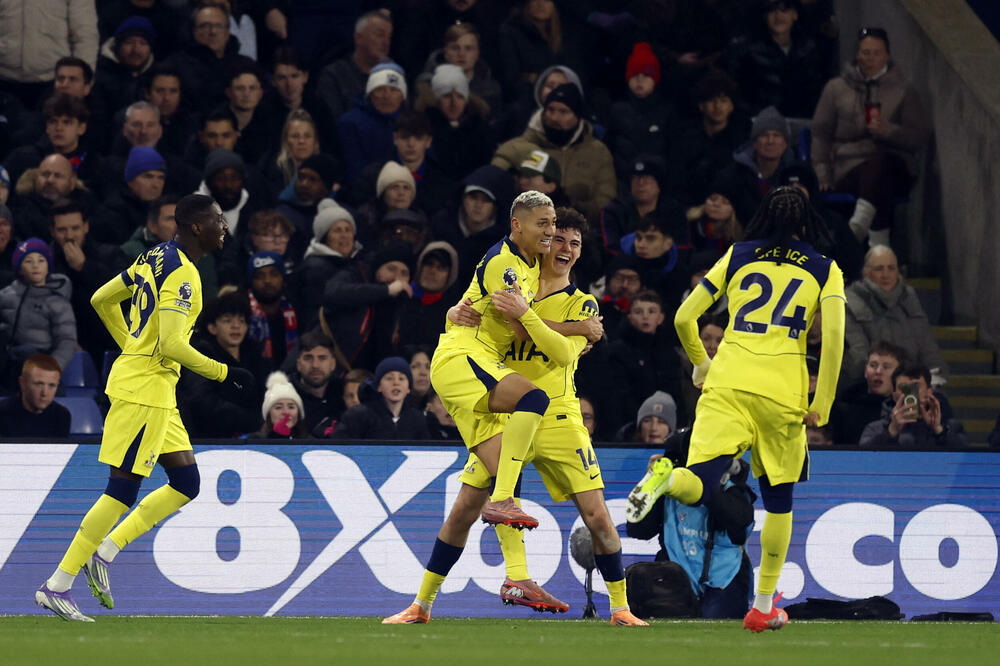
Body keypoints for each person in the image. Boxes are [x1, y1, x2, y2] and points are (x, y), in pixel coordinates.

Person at [384, 206, 644, 626]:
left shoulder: (583, 302)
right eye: (558, 238)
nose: (565, 247)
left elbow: (558, 352)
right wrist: (453, 311)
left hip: (558, 415)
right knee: (465, 509)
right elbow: (472, 319)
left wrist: (551, 324)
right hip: (506, 406)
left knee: (598, 517)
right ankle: (422, 605)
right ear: (543, 240)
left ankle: (620, 608)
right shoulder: (513, 278)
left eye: (574, 243)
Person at [627, 186, 846, 633]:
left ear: (763, 216)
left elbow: (685, 317)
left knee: (700, 480)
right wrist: (819, 403)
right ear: (806, 223)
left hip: (727, 381)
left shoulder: (739, 254)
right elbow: (837, 341)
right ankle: (763, 606)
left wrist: (702, 365)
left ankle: (666, 475)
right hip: (782, 393)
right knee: (780, 502)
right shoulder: (826, 270)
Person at [34, 193, 255, 622]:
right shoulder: (185, 275)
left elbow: (101, 299)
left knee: (186, 481)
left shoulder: (156, 256)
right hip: (144, 390)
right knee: (121, 490)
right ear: (196, 226)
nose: (223, 226)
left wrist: (132, 347)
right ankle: (57, 585)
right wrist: (223, 373)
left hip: (154, 388)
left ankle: (108, 548)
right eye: (216, 219)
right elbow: (172, 343)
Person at [810, 27, 930, 247]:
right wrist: (823, 174)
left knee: (882, 165)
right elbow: (820, 134)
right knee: (878, 183)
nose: (870, 58)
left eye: (876, 53)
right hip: (848, 166)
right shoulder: (836, 88)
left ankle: (857, 228)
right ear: (857, 54)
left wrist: (889, 130)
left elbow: (918, 136)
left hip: (895, 163)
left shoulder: (904, 90)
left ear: (887, 55)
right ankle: (879, 250)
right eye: (865, 52)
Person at [626, 427, 756, 619]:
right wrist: (652, 487)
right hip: (675, 574)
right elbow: (638, 530)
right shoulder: (667, 489)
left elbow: (740, 527)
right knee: (643, 581)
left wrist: (704, 486)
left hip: (724, 578)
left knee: (713, 623)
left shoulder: (732, 490)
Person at [493, 84, 616, 222]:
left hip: (579, 231)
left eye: (563, 112)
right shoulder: (520, 146)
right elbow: (494, 181)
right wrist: (522, 186)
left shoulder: (598, 152)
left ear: (578, 116)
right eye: (550, 110)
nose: (555, 118)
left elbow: (605, 201)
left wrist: (570, 209)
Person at [843, 244, 946, 384]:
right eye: (879, 269)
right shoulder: (852, 301)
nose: (886, 274)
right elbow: (859, 357)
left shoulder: (908, 297)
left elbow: (928, 347)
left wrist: (935, 376)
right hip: (871, 385)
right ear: (866, 272)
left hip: (910, 383)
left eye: (891, 268)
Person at [179, 292, 265, 438]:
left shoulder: (254, 356)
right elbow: (202, 401)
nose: (236, 326)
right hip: (207, 439)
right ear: (212, 327)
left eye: (242, 321)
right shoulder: (200, 355)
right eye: (227, 321)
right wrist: (252, 421)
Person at [0, 237, 76, 371]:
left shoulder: (57, 301)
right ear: (19, 268)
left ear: (48, 267)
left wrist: (52, 368)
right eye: (28, 261)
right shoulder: (5, 296)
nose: (36, 265)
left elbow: (67, 341)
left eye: (41, 260)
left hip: (42, 363)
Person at [859, 364, 966, 449]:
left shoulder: (951, 427)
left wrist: (939, 430)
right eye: (904, 388)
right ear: (894, 394)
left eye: (916, 387)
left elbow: (964, 462)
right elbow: (864, 461)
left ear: (929, 391)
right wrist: (891, 431)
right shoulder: (875, 429)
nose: (910, 393)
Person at [316, 10, 394, 120]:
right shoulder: (333, 76)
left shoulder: (393, 74)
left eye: (389, 37)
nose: (386, 42)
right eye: (380, 35)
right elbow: (335, 124)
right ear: (358, 38)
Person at [331, 356, 430, 440]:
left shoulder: (417, 419)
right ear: (378, 386)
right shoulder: (358, 415)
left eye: (401, 378)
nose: (396, 383)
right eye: (389, 378)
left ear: (408, 388)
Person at [831, 340, 906, 445]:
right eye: (873, 365)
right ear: (866, 371)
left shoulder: (906, 408)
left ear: (899, 375)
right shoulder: (846, 406)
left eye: (886, 367)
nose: (878, 371)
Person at [246, 251, 298, 370]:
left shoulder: (297, 309)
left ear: (283, 278)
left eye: (273, 274)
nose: (267, 281)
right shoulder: (242, 313)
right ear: (251, 281)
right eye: (260, 276)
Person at [289, 330, 345, 437]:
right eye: (308, 358)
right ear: (298, 364)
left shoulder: (344, 395)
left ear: (333, 364)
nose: (315, 365)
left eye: (322, 358)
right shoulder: (284, 397)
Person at [0, 353, 71, 437]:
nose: (44, 393)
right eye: (39, 384)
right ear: (22, 383)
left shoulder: (61, 415)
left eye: (52, 385)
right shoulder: (2, 413)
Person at [251, 371, 309, 439]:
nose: (286, 412)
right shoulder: (255, 441)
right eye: (278, 407)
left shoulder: (311, 443)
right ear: (269, 413)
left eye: (291, 407)